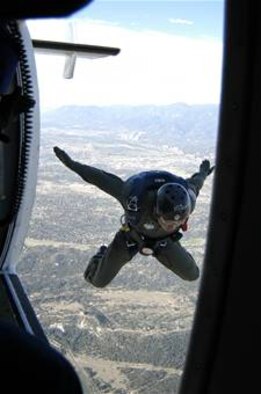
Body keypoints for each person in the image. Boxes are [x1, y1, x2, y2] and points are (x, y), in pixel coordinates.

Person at [53, 146, 214, 287]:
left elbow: (196, 183)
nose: (173, 226)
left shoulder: (187, 201)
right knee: (97, 281)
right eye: (168, 221)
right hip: (131, 237)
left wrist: (203, 172)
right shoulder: (136, 200)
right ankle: (102, 253)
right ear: (157, 211)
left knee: (192, 275)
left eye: (178, 222)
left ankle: (164, 249)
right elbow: (101, 179)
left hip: (164, 241)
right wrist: (72, 165)